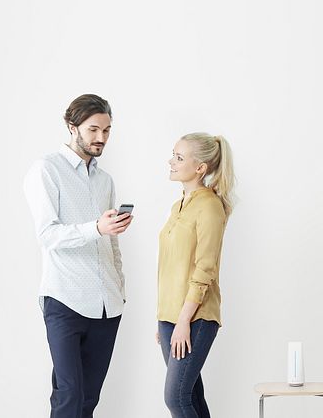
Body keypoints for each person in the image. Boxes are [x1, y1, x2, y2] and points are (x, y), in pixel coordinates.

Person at [23, 94, 133, 418]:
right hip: (65, 300)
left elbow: (111, 242)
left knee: (88, 400)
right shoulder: (46, 170)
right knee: (69, 395)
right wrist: (95, 227)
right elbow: (47, 235)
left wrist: (120, 287)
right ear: (72, 127)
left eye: (107, 131)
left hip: (107, 306)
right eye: (93, 129)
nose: (101, 138)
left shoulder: (105, 181)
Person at [156, 132, 235, 418]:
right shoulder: (178, 206)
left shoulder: (210, 206)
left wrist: (183, 321)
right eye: (173, 155)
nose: (171, 161)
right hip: (170, 317)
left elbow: (205, 269)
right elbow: (171, 266)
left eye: (179, 157)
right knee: (191, 397)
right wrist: (165, 319)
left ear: (200, 167)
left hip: (195, 318)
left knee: (176, 399)